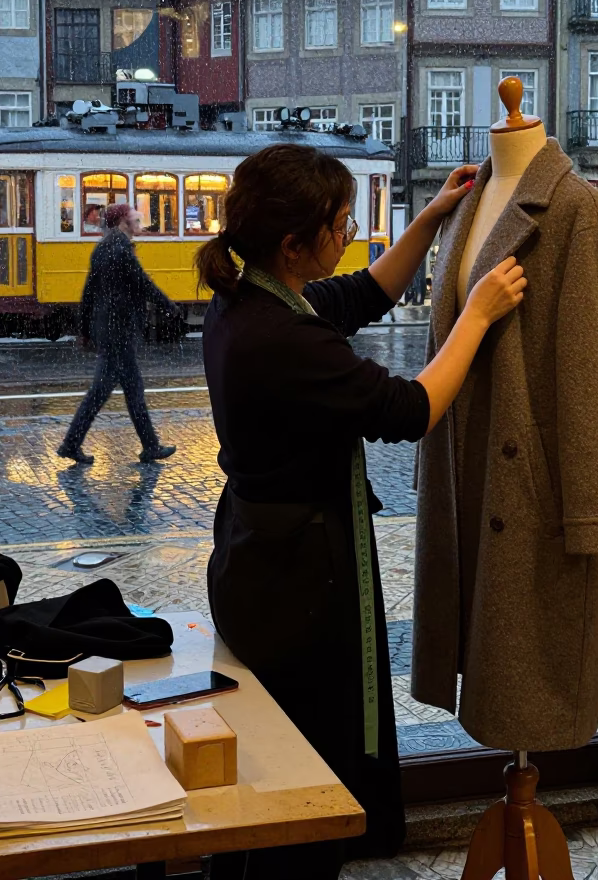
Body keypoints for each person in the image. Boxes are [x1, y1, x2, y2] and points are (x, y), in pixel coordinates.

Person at [197, 144, 526, 880]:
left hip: (262, 553)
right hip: (298, 580)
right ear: (292, 243)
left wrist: (435, 217)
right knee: (309, 766)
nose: (349, 231)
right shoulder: (280, 337)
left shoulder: (254, 296)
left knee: (282, 754)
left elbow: (365, 292)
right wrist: (475, 314)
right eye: (340, 221)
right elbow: (410, 409)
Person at [58, 203, 177, 465]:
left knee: (128, 389)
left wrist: (87, 330)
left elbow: (88, 292)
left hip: (108, 328)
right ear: (123, 222)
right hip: (118, 329)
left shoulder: (102, 248)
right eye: (136, 219)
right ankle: (72, 443)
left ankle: (149, 445)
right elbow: (142, 282)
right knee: (105, 391)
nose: (139, 223)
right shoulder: (120, 249)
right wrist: (169, 306)